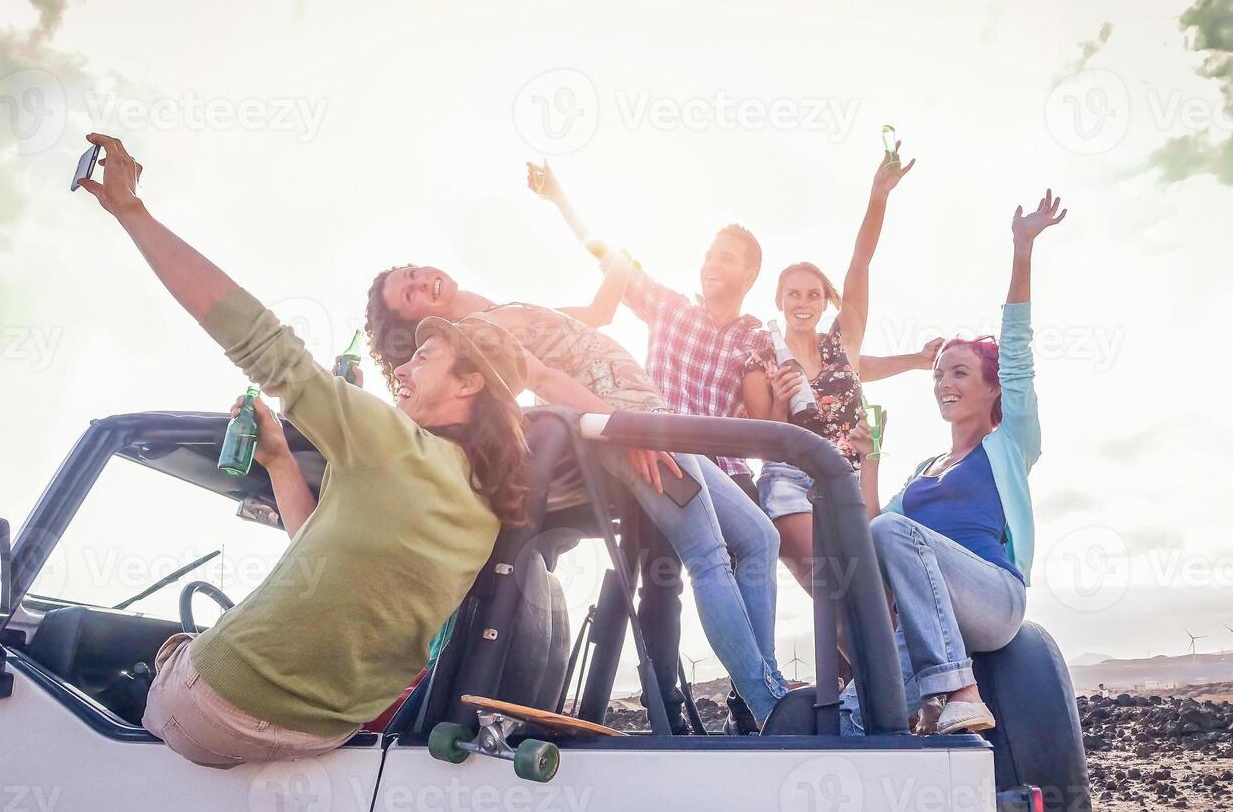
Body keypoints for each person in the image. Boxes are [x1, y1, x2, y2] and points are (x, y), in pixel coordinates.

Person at [76, 133, 532, 767]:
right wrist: (281, 462)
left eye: (422, 359)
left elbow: (263, 343)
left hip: (212, 711)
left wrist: (133, 212)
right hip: (319, 735)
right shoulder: (481, 509)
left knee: (142, 663)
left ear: (469, 383)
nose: (402, 371)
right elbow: (327, 551)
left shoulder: (393, 443)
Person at [526, 160, 934, 729]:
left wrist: (810, 401)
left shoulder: (753, 338)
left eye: (725, 258)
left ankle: (758, 692)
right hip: (656, 446)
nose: (710, 263)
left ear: (749, 276)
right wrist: (560, 195)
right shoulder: (670, 308)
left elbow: (759, 415)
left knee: (761, 540)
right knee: (676, 571)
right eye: (709, 254)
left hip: (719, 460)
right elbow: (608, 254)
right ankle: (706, 699)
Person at [366, 265, 790, 725]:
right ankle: (771, 705)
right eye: (408, 295)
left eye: (411, 273)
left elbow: (598, 313)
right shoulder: (474, 337)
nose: (419, 281)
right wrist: (621, 427)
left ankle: (768, 695)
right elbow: (543, 380)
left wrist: (614, 255)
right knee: (706, 555)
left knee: (759, 537)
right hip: (626, 420)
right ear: (412, 323)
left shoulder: (505, 310)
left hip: (655, 414)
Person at [842, 189, 1067, 736]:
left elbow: (1016, 350)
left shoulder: (1009, 443)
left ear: (993, 388)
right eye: (939, 373)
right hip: (930, 616)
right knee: (853, 714)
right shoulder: (925, 468)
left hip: (992, 599)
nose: (944, 382)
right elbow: (875, 528)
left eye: (959, 372)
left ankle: (959, 692)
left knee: (896, 532)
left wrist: (1022, 250)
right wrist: (868, 459)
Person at [741, 142, 919, 599]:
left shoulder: (844, 345)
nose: (803, 303)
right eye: (793, 294)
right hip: (792, 481)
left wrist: (878, 196)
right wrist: (781, 402)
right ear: (780, 300)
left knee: (876, 597)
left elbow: (861, 261)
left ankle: (864, 674)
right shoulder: (761, 358)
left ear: (826, 301)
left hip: (852, 478)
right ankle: (856, 668)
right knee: (831, 591)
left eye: (813, 294)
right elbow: (766, 442)